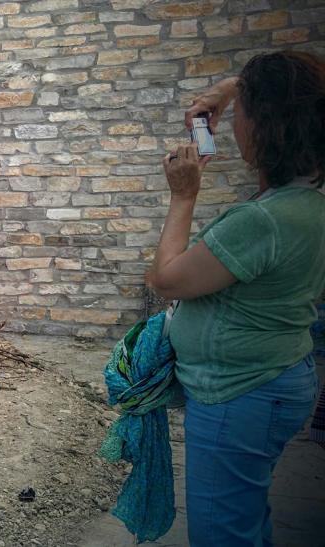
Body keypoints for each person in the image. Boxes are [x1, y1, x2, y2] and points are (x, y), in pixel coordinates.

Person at [146, 51, 325, 546]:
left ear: (268, 124)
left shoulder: (263, 221)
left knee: (222, 535)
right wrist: (226, 93)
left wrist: (184, 194)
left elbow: (167, 278)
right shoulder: (308, 199)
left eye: (242, 111)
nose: (234, 124)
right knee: (245, 519)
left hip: (239, 395)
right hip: (275, 378)